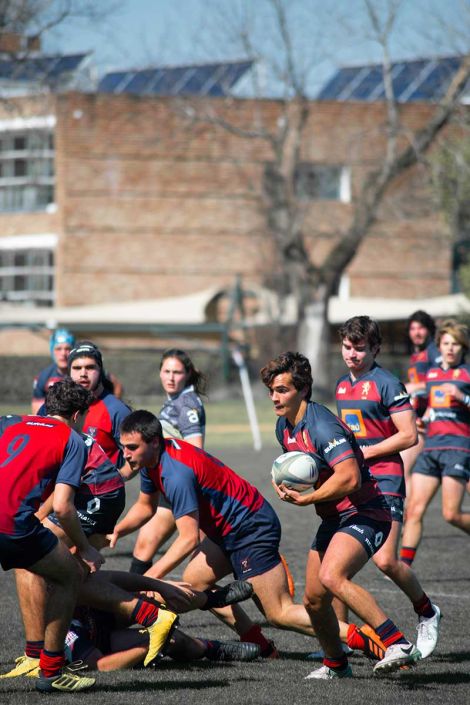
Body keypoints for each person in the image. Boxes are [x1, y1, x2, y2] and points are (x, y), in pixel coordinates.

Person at [108, 410, 387, 664]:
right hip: (225, 532)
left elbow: (188, 539)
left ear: (155, 442)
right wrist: (119, 529)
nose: (126, 454)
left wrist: (149, 579)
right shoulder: (150, 461)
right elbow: (145, 506)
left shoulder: (175, 472)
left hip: (251, 529)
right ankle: (260, 644)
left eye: (132, 447)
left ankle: (361, 637)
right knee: (194, 586)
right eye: (123, 447)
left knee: (278, 613)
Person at [260, 351, 421, 679]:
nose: (275, 397)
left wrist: (307, 499)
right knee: (313, 600)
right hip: (335, 517)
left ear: (303, 390)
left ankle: (397, 643)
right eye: (272, 390)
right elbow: (303, 469)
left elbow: (350, 478)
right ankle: (336, 664)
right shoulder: (283, 427)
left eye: (283, 390)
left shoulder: (321, 425)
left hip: (367, 511)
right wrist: (285, 481)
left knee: (332, 576)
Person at [335, 316, 440, 659]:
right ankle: (339, 641)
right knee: (332, 566)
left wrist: (368, 452)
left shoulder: (388, 384)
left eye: (359, 348)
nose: (351, 354)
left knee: (386, 561)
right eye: (347, 347)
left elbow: (409, 435)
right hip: (354, 482)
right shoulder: (341, 385)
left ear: (375, 348)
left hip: (386, 482)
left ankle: (427, 611)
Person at [0, 381, 104, 693]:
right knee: (69, 575)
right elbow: (63, 507)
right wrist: (85, 548)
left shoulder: (9, 421)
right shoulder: (73, 440)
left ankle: (36, 657)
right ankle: (51, 670)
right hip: (13, 525)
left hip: (13, 523)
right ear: (77, 415)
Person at [129, 349, 207, 576]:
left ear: (187, 374)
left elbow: (196, 450)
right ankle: (137, 596)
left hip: (179, 486)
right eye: (167, 371)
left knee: (197, 573)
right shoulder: (175, 400)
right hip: (169, 485)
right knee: (144, 546)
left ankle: (137, 595)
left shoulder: (186, 404)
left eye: (177, 372)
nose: (171, 377)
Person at [401, 319, 470, 566]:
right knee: (413, 510)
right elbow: (434, 407)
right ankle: (402, 568)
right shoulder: (432, 374)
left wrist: (462, 396)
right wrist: (424, 419)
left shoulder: (467, 373)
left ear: (463, 347)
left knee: (451, 514)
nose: (450, 348)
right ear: (439, 346)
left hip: (457, 449)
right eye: (446, 343)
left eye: (455, 344)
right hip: (431, 448)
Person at [66, 341, 131, 468]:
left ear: (100, 371)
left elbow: (136, 454)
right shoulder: (55, 406)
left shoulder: (117, 410)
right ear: (69, 371)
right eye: (77, 368)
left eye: (90, 367)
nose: (83, 373)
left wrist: (118, 476)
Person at [401, 311, 441, 489]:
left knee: (404, 469)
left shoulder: (433, 352)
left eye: (421, 328)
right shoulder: (417, 354)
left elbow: (442, 380)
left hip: (430, 421)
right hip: (418, 419)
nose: (416, 332)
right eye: (413, 328)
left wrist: (413, 387)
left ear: (429, 329)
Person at [32, 328, 75, 413]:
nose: (63, 353)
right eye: (58, 349)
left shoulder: (82, 374)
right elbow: (37, 414)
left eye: (68, 348)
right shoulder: (43, 377)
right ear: (52, 351)